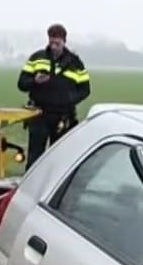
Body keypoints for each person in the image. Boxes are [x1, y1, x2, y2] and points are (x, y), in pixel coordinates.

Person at [15, 23, 91, 163]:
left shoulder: (75, 63)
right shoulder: (37, 58)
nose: (54, 47)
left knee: (59, 160)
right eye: (51, 43)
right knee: (35, 158)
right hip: (39, 114)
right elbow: (21, 83)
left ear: (64, 41)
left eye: (57, 43)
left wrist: (70, 99)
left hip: (63, 116)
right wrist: (35, 81)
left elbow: (85, 89)